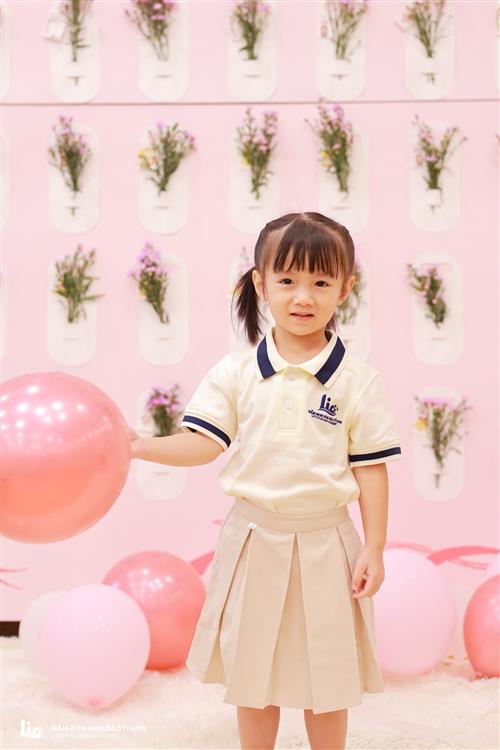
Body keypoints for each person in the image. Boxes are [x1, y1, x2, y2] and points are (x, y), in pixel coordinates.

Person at [129, 211, 402, 750]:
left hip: (328, 544)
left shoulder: (358, 381)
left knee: (328, 678)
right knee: (252, 676)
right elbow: (203, 443)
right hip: (253, 541)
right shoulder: (234, 373)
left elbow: (371, 467)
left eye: (320, 282)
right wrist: (139, 446)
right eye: (287, 280)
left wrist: (374, 546)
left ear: (345, 288)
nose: (303, 296)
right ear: (260, 283)